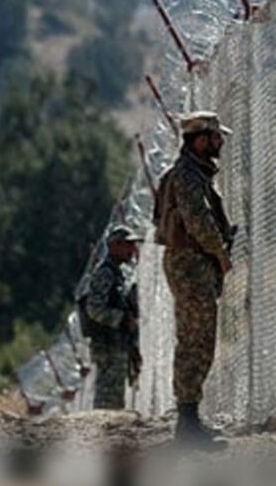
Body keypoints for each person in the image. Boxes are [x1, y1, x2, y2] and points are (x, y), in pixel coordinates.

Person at [153, 110, 236, 448]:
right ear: (200, 140)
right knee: (194, 339)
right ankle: (187, 427)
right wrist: (221, 254)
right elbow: (198, 222)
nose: (219, 143)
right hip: (191, 264)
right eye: (215, 137)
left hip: (191, 263)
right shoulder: (187, 176)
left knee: (198, 338)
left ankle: (190, 420)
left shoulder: (192, 174)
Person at [80, 225, 143, 410]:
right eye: (127, 245)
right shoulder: (105, 273)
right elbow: (94, 308)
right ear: (114, 246)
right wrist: (122, 318)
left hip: (116, 344)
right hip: (108, 345)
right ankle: (103, 435)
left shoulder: (117, 274)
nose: (132, 250)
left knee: (115, 398)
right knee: (108, 400)